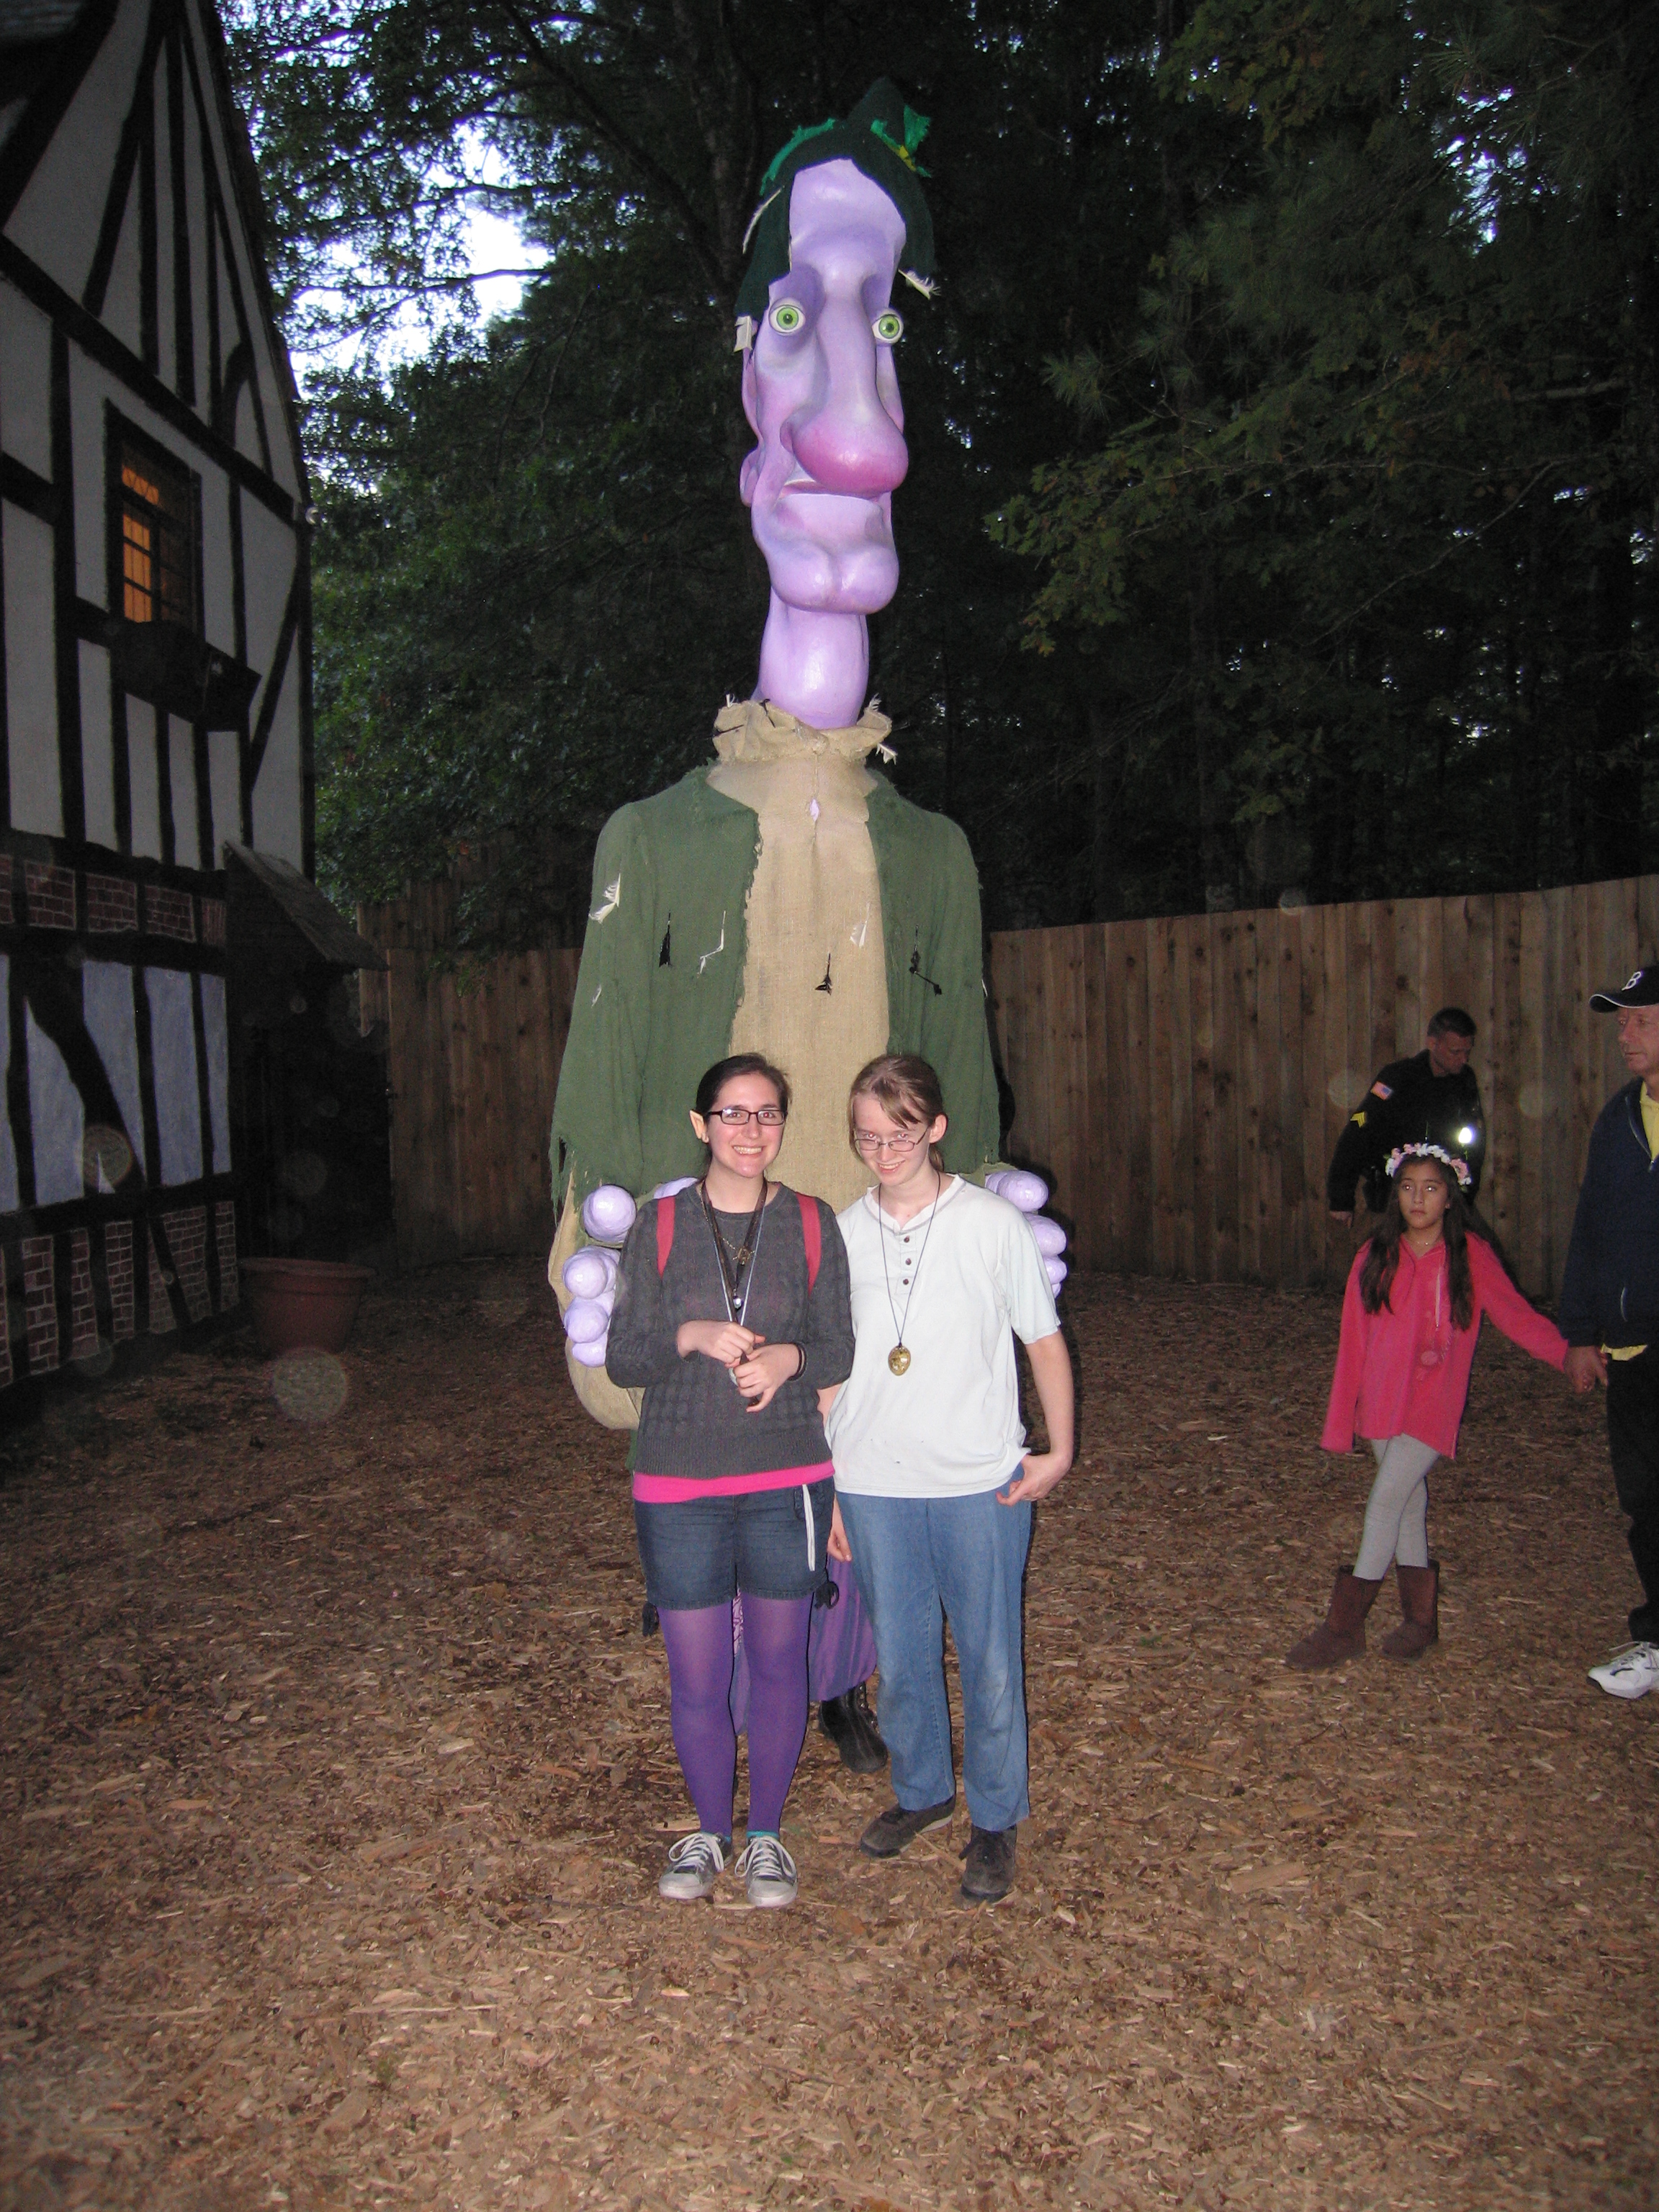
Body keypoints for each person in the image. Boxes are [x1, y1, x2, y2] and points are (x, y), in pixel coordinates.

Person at [822, 1055, 1074, 1905]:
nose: (883, 1152)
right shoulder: (841, 1235)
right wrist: (831, 1485)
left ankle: (996, 1817)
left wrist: (1060, 1449)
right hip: (873, 1482)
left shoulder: (990, 1226)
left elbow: (1042, 1339)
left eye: (899, 1135)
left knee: (990, 1657)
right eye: (867, 1137)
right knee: (900, 1657)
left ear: (934, 1128)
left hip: (977, 1482)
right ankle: (924, 1789)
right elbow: (831, 1372)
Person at [604, 1053, 854, 1906]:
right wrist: (690, 1335)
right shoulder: (660, 1224)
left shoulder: (812, 1223)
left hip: (788, 1476)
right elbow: (623, 1356)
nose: (752, 1130)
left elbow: (839, 1346)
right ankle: (709, 1833)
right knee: (698, 1675)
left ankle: (767, 1839)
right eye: (734, 1113)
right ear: (700, 1124)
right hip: (680, 1483)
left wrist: (791, 1359)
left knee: (782, 1664)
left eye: (767, 1113)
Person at [1290, 1142, 1568, 1668]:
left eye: (1431, 1188)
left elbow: (1517, 1317)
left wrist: (1568, 1355)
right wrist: (1342, 1416)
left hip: (1431, 1405)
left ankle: (1344, 1628)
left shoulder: (1469, 1257)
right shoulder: (1374, 1256)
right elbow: (1353, 1342)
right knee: (1409, 1502)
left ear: (1450, 1198)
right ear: (1396, 1194)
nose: (1418, 1199)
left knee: (1385, 1502)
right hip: (1380, 1402)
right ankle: (1420, 1623)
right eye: (1408, 1188)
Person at [1559, 963, 1659, 1701]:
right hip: (1631, 1348)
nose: (1625, 1034)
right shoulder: (1618, 1119)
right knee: (1647, 1500)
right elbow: (1590, 1228)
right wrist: (1581, 1331)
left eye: (1642, 1021)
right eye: (1622, 1021)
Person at [1327, 1009, 1487, 1223]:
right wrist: (1341, 1198)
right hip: (1393, 1199)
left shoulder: (1465, 1082)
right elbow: (1359, 1128)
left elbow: (1475, 1143)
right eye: (1455, 1052)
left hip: (1445, 1200)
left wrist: (1466, 1195)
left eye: (1467, 1052)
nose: (1463, 1059)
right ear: (1433, 1043)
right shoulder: (1397, 1078)